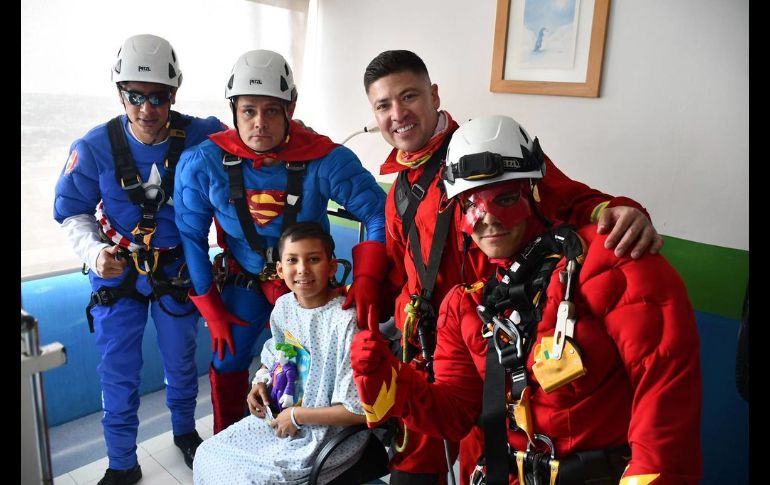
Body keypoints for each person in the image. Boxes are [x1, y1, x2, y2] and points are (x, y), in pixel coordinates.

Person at [361, 50, 665, 483]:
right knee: (418, 474)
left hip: (494, 352)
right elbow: (403, 271)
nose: (398, 114)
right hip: (428, 353)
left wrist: (620, 212)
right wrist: (371, 306)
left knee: (491, 460)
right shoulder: (398, 190)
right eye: (383, 105)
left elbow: (575, 201)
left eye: (408, 96)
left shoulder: (490, 152)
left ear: (433, 95)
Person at [174, 49, 387, 435]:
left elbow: (378, 213)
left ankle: (321, 444)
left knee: (326, 363)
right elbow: (190, 235)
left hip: (308, 279)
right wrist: (212, 310)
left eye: (272, 110)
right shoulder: (202, 163)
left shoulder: (325, 158)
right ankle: (231, 438)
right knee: (227, 360)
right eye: (249, 110)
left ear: (290, 109)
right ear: (234, 109)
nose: (260, 123)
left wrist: (368, 279)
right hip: (245, 276)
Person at [52, 34, 224, 484]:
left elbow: (252, 145)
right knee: (117, 369)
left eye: (159, 97)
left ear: (174, 93)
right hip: (117, 270)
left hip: (176, 267)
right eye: (135, 96)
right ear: (119, 93)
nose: (147, 109)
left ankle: (186, 433)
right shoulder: (92, 148)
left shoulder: (204, 134)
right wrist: (94, 254)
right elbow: (71, 211)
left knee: (181, 359)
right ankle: (122, 462)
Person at [192, 222, 368, 484]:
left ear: (332, 266)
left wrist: (297, 416)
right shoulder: (284, 307)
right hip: (283, 418)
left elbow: (358, 411)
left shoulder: (346, 322)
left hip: (324, 436)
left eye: (314, 259)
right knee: (207, 453)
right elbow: (280, 356)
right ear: (280, 269)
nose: (302, 269)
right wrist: (261, 382)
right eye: (292, 260)